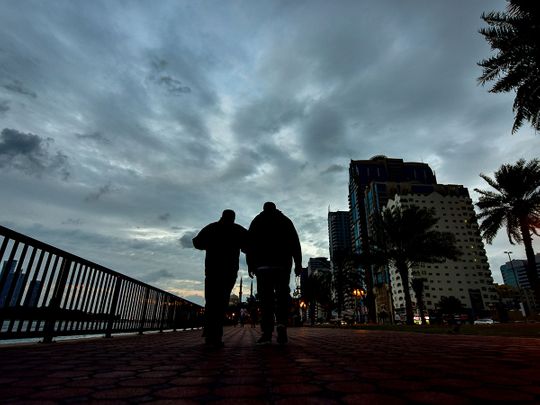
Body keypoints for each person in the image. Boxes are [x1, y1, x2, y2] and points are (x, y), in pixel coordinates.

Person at [247, 202, 302, 345]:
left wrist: (250, 265)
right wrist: (298, 264)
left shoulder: (257, 221)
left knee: (266, 300)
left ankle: (267, 332)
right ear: (275, 208)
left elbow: (250, 244)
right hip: (281, 266)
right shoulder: (285, 221)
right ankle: (281, 326)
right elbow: (295, 243)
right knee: (282, 296)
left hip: (263, 267)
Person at [192, 209, 248, 347]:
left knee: (211, 301)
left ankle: (210, 334)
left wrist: (209, 245)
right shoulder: (237, 230)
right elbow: (250, 244)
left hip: (213, 270)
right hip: (229, 271)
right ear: (233, 218)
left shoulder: (211, 228)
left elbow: (197, 242)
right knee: (222, 301)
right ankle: (215, 334)